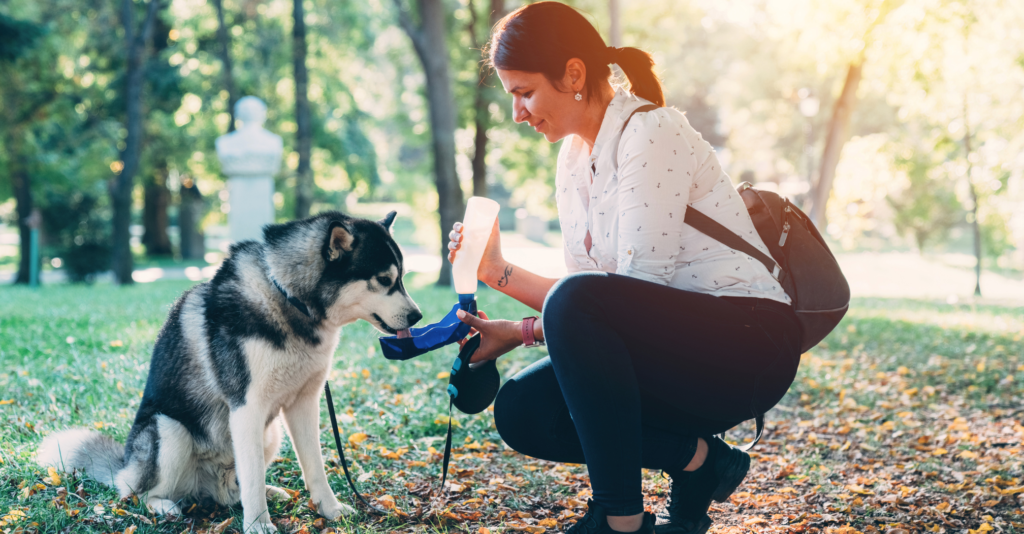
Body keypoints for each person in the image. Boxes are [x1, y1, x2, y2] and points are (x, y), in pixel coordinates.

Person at [446, 4, 802, 534]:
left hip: (747, 344)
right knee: (522, 408)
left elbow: (625, 295)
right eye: (511, 96)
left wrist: (521, 332)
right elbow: (593, 309)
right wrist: (495, 269)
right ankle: (703, 462)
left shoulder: (651, 131)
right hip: (674, 347)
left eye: (525, 93)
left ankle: (619, 520)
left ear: (573, 74)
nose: (518, 113)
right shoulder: (572, 159)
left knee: (576, 303)